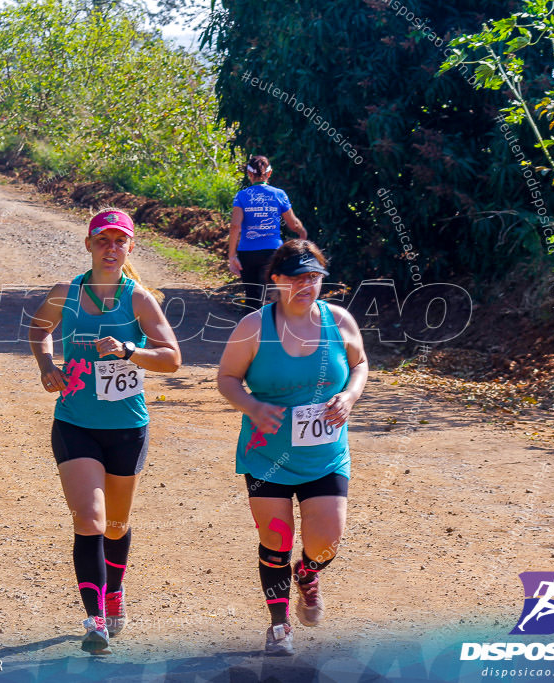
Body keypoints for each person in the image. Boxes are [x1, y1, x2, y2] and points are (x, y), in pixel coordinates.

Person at [28, 209, 182, 654]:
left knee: (116, 524)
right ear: (89, 245)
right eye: (103, 241)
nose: (111, 249)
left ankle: (115, 591)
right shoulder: (66, 293)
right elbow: (39, 328)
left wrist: (131, 350)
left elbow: (172, 358)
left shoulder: (139, 299)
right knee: (89, 519)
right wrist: (46, 365)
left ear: (130, 247)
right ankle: (95, 618)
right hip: (75, 422)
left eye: (120, 242)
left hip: (127, 428)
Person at [217, 239, 368, 656]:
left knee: (325, 543)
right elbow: (227, 378)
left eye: (314, 277)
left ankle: (308, 573)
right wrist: (253, 405)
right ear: (277, 280)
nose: (307, 285)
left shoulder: (339, 321)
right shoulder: (253, 328)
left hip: (325, 455)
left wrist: (351, 395)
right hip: (267, 455)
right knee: (276, 539)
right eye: (298, 277)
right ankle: (279, 624)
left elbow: (359, 364)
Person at [228, 156, 307, 310]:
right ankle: (276, 330)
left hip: (247, 253)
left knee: (252, 301)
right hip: (273, 253)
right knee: (274, 299)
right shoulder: (279, 194)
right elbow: (294, 224)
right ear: (269, 174)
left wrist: (232, 256)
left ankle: (253, 332)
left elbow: (235, 226)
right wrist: (303, 235)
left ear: (249, 174)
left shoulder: (242, 196)